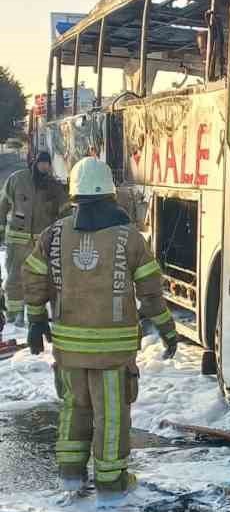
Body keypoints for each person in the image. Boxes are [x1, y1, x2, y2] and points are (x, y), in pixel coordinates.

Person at [22, 157, 178, 495]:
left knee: (74, 409)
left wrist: (35, 320)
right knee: (110, 417)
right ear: (110, 192)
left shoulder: (54, 234)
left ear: (75, 194)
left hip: (69, 351)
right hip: (113, 352)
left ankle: (70, 476)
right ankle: (110, 483)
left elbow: (33, 274)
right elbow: (150, 292)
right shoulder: (130, 238)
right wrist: (167, 329)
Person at [0, 149, 69, 327]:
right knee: (15, 277)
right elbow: (3, 205)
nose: (44, 167)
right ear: (34, 163)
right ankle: (15, 314)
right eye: (41, 163)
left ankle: (35, 315)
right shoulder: (17, 179)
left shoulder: (53, 186)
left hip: (41, 243)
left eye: (47, 164)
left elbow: (65, 211)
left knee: (39, 279)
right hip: (17, 242)